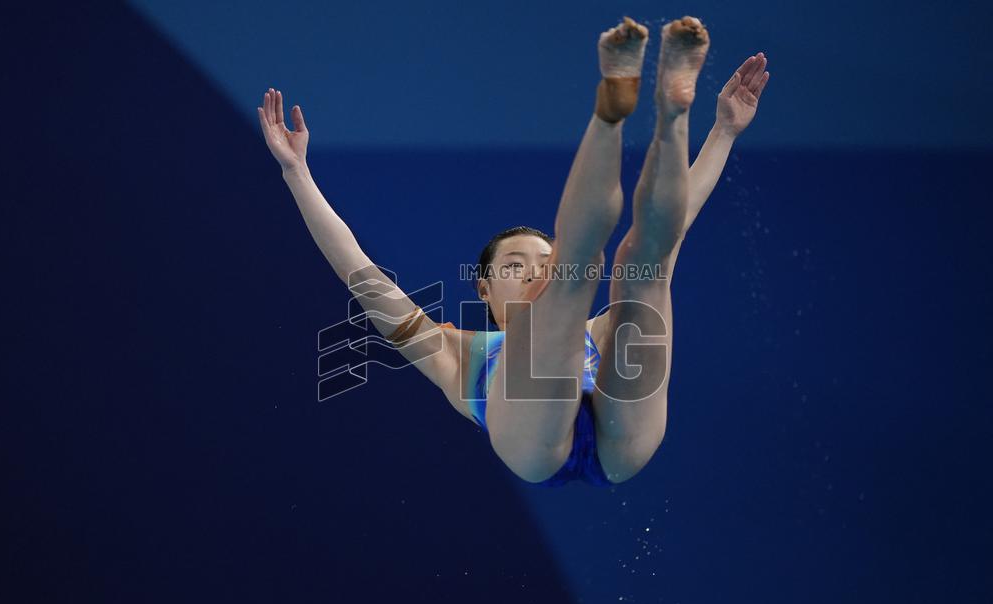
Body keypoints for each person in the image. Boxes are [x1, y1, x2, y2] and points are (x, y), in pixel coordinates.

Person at [257, 16, 770, 487]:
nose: (529, 272)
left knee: (646, 262)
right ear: (484, 286)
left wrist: (722, 131)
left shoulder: (599, 330)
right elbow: (363, 278)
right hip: (536, 444)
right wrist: (295, 173)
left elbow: (672, 229)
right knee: (571, 280)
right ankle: (610, 114)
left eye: (538, 262)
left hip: (624, 428)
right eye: (514, 265)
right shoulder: (455, 351)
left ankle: (666, 112)